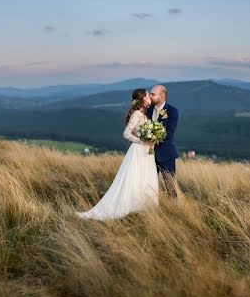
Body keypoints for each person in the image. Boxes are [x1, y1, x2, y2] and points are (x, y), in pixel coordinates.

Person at [76, 89, 159, 220]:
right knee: (134, 178)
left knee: (145, 177)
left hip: (146, 152)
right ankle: (130, 206)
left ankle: (143, 207)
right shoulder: (137, 114)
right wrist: (142, 141)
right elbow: (126, 133)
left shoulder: (144, 114)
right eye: (148, 95)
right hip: (138, 151)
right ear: (143, 98)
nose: (150, 97)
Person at [146, 84, 181, 200]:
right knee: (149, 185)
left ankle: (173, 210)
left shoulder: (172, 111)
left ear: (161, 97)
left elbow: (170, 132)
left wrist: (152, 137)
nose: (150, 96)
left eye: (153, 94)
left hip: (166, 155)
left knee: (170, 185)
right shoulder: (148, 109)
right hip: (148, 155)